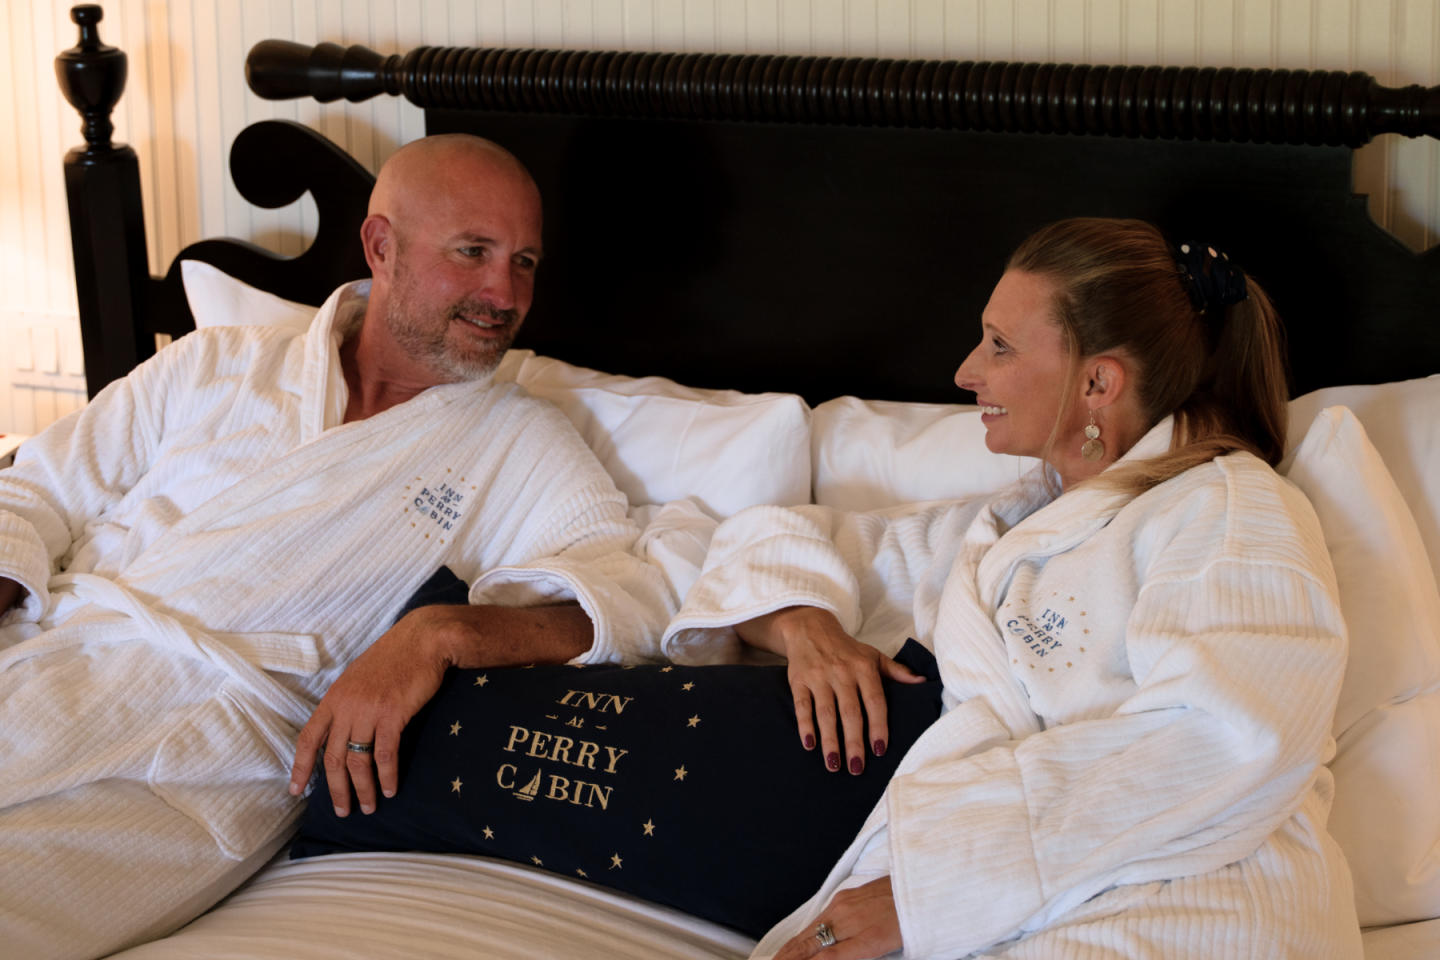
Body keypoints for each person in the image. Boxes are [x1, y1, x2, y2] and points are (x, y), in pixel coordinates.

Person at [0, 134, 672, 960]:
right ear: (381, 247)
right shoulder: (214, 364)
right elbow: (32, 490)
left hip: (198, 767)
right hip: (41, 662)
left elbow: (629, 601)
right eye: (473, 252)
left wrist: (438, 634)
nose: (505, 293)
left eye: (525, 261)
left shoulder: (519, 443)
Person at [663, 219, 1362, 958]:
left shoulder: (1232, 512)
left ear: (1097, 382)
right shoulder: (1009, 527)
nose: (967, 371)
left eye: (1000, 345)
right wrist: (810, 632)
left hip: (1193, 903)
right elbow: (770, 540)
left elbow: (1224, 738)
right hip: (1008, 903)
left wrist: (930, 888)